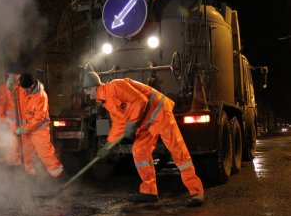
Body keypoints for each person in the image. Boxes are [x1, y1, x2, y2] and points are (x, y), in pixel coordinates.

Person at [82, 72, 205, 206]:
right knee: (139, 150)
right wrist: (109, 145)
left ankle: (196, 191)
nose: (88, 95)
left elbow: (141, 100)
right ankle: (149, 191)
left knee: (177, 150)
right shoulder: (107, 102)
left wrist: (132, 122)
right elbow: (118, 124)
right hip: (146, 121)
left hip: (160, 113)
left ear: (94, 87)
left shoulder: (115, 86)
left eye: (87, 91)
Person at [15, 72, 65, 180]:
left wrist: (24, 128)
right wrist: (10, 85)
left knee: (45, 153)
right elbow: (16, 86)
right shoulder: (22, 87)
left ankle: (57, 175)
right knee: (26, 153)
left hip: (39, 130)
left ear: (32, 86)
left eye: (27, 90)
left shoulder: (41, 96)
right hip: (26, 130)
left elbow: (39, 118)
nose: (24, 92)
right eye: (23, 89)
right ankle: (29, 177)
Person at [0, 65, 22, 167]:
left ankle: (20, 171)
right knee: (12, 152)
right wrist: (4, 127)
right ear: (10, 75)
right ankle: (12, 170)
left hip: (21, 127)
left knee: (22, 152)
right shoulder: (3, 89)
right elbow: (0, 111)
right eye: (16, 75)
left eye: (18, 75)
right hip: (10, 129)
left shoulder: (21, 88)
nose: (18, 77)